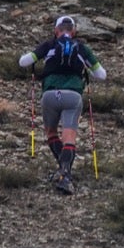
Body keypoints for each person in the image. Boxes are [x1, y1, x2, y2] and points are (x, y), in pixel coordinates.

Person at [19, 16, 106, 195]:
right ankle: (65, 173)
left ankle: (62, 170)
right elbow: (101, 75)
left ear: (56, 30)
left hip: (50, 95)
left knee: (51, 133)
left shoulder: (49, 45)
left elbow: (23, 62)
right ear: (73, 31)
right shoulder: (81, 48)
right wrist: (87, 68)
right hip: (72, 96)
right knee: (69, 137)